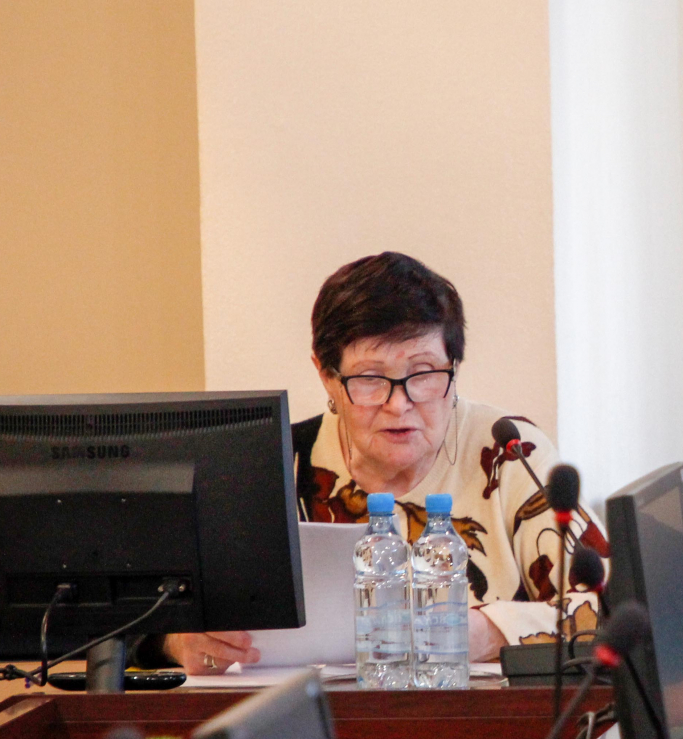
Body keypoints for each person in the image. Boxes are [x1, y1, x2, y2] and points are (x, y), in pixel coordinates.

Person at [149, 252, 606, 675]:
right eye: (370, 378)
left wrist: (487, 631)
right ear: (326, 376)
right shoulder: (273, 466)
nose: (398, 404)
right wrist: (177, 641)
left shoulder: (508, 453)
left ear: (454, 368)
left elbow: (610, 604)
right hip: (314, 721)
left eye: (423, 374)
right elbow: (140, 621)